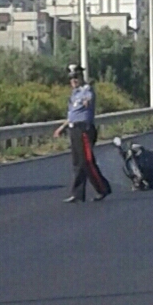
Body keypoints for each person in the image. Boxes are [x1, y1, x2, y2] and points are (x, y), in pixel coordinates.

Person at [53, 64, 112, 203]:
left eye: (76, 77)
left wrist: (87, 100)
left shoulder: (87, 90)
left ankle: (102, 188)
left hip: (84, 129)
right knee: (77, 163)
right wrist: (62, 128)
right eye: (71, 78)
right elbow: (73, 114)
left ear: (81, 77)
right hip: (74, 129)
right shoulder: (74, 94)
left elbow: (89, 99)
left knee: (87, 161)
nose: (73, 80)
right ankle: (77, 194)